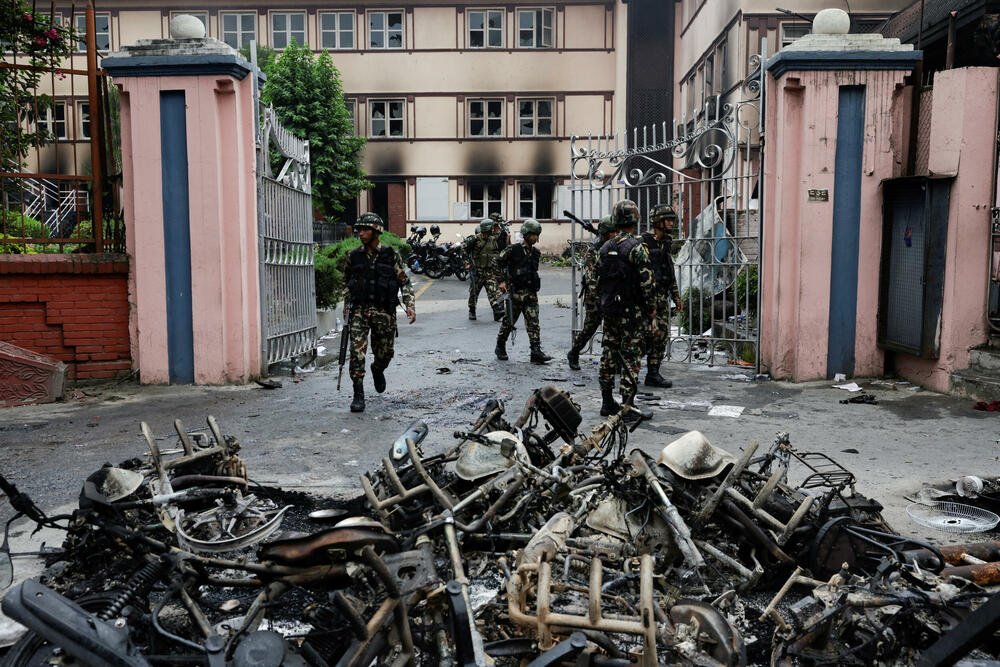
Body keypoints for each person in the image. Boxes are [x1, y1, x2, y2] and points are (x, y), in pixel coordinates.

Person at [341, 213, 416, 413]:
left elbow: (404, 282)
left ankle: (378, 368)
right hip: (360, 310)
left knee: (385, 353)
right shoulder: (352, 256)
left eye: (365, 230)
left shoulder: (391, 255)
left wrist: (410, 305)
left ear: (377, 232)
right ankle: (358, 394)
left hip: (384, 311)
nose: (361, 234)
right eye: (359, 230)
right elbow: (346, 281)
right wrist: (347, 300)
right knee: (356, 353)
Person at [597, 200, 655, 423]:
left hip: (610, 309)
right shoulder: (636, 247)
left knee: (608, 353)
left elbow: (599, 278)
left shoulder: (605, 247)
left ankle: (606, 401)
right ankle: (628, 406)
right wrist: (650, 308)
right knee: (631, 357)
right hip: (632, 312)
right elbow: (646, 282)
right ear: (634, 219)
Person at [493, 219, 553, 364]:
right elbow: (496, 262)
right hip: (516, 294)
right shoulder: (513, 250)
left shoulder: (536, 253)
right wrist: (501, 281)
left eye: (537, 235)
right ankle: (500, 346)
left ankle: (535, 351)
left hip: (531, 293)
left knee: (533, 323)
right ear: (526, 234)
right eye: (533, 235)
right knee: (508, 322)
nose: (536, 238)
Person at [567, 215, 617, 370]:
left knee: (613, 328)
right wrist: (598, 296)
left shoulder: (612, 246)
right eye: (613, 232)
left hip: (610, 294)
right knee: (591, 326)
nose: (616, 234)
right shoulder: (593, 249)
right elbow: (590, 277)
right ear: (607, 233)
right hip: (595, 296)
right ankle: (574, 352)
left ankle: (614, 361)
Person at [642, 203, 684, 388]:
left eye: (672, 219)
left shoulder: (666, 243)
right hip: (646, 299)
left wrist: (676, 296)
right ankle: (624, 366)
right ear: (657, 221)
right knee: (644, 337)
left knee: (661, 337)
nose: (671, 223)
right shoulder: (643, 242)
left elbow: (669, 271)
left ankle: (653, 373)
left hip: (662, 298)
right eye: (668, 219)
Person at [462, 218, 505, 322]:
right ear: (487, 229)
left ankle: (497, 311)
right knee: (474, 293)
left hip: (489, 271)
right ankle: (472, 311)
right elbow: (463, 248)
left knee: (493, 291)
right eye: (492, 228)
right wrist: (467, 263)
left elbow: (496, 254)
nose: (494, 230)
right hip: (477, 271)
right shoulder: (475, 239)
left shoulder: (493, 239)